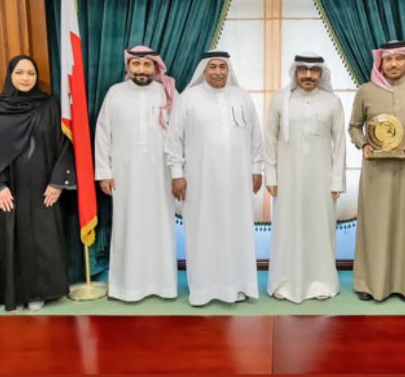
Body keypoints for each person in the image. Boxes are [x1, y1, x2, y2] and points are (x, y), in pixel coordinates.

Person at [0, 55, 76, 312]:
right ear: (10, 75)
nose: (26, 78)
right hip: (7, 187)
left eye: (31, 73)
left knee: (42, 239)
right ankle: (15, 295)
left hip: (43, 186)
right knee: (10, 239)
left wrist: (58, 181)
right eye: (20, 73)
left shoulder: (49, 105)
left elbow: (65, 142)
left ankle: (40, 292)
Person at [165, 50, 263, 306]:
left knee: (237, 229)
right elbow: (174, 140)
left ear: (228, 70)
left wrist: (256, 169)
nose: (218, 72)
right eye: (213, 67)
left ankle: (239, 285)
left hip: (237, 179)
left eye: (222, 67)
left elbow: (255, 135)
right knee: (204, 231)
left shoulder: (242, 97)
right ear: (204, 70)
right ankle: (204, 290)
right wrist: (177, 175)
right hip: (200, 180)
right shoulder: (188, 99)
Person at [348, 40, 405, 302]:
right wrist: (363, 144)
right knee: (374, 226)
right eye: (388, 59)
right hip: (375, 172)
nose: (393, 64)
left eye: (399, 58)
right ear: (381, 62)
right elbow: (354, 126)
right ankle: (369, 284)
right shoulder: (366, 91)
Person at [95, 45, 178, 301]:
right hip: (124, 174)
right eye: (136, 64)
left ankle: (163, 285)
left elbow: (181, 134)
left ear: (155, 67)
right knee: (127, 226)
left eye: (146, 64)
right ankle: (126, 287)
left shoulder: (168, 93)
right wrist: (104, 172)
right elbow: (103, 133)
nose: (141, 69)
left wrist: (179, 172)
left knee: (160, 226)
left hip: (161, 174)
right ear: (128, 66)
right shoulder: (115, 93)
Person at [265, 53, 346, 303]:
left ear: (321, 73)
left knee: (320, 228)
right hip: (287, 179)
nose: (309, 75)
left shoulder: (332, 102)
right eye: (303, 70)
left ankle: (321, 282)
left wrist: (337, 181)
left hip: (322, 180)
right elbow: (270, 138)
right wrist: (271, 176)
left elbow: (340, 144)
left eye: (314, 70)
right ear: (295, 72)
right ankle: (284, 283)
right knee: (287, 228)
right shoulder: (280, 100)